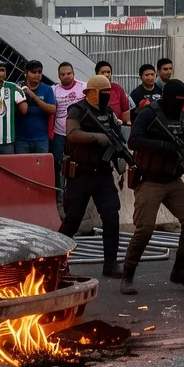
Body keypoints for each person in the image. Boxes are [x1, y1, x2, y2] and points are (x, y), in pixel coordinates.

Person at [124, 79, 184, 294]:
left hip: (173, 180)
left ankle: (180, 269)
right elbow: (134, 141)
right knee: (145, 230)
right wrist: (163, 146)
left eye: (181, 101)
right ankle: (128, 274)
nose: (178, 104)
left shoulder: (182, 118)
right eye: (176, 100)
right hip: (149, 180)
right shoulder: (149, 114)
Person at [59, 75, 125, 278]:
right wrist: (97, 137)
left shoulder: (108, 113)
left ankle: (111, 263)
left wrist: (122, 156)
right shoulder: (77, 110)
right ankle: (55, 261)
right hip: (80, 173)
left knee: (112, 216)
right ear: (91, 92)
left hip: (103, 173)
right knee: (72, 220)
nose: (106, 96)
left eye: (108, 92)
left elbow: (119, 137)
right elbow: (72, 134)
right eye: (102, 92)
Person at [51, 62, 86, 217]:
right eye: (63, 74)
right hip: (60, 134)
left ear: (74, 73)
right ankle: (60, 200)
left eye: (69, 73)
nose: (66, 76)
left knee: (79, 167)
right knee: (60, 168)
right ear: (59, 76)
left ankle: (79, 200)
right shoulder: (53, 90)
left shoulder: (83, 87)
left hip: (79, 134)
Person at [16, 60, 56, 155]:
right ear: (26, 73)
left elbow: (52, 109)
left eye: (39, 72)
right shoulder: (18, 87)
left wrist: (33, 96)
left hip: (41, 139)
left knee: (40, 169)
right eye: (33, 72)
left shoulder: (47, 89)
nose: (37, 74)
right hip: (21, 140)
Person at [94, 60, 131, 126]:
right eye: (103, 72)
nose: (106, 75)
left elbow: (125, 110)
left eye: (108, 72)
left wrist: (125, 123)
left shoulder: (118, 89)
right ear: (97, 74)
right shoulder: (92, 90)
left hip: (118, 126)